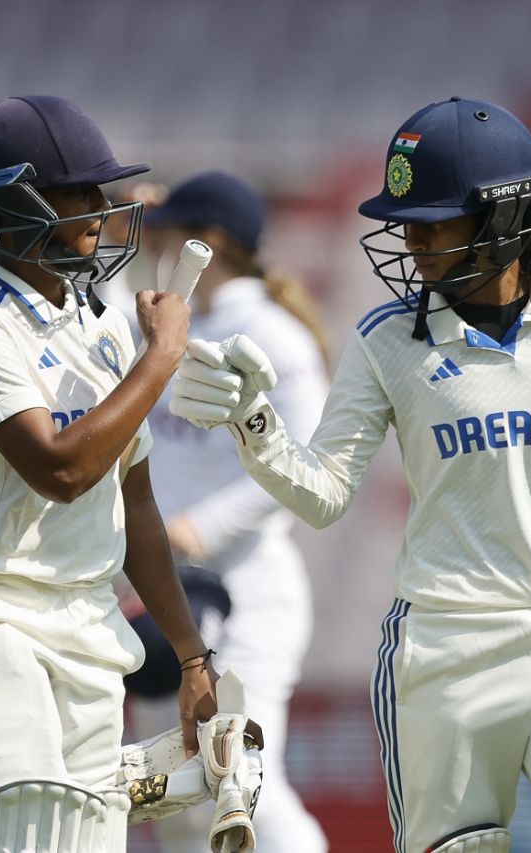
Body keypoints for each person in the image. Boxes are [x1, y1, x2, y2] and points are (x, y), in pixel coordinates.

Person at [168, 96, 531, 853]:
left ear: (505, 217)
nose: (411, 241)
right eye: (405, 221)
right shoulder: (385, 340)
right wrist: (257, 425)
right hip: (446, 651)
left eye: (434, 219)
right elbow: (324, 495)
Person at [0, 95, 219, 850]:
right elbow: (63, 472)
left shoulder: (100, 328)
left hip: (88, 627)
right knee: (26, 836)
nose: (103, 211)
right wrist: (161, 357)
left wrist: (192, 655)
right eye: (82, 193)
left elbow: (130, 498)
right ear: (15, 201)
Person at [119, 171, 330, 852]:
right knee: (176, 799)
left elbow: (297, 470)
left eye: (166, 232)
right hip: (166, 594)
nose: (155, 245)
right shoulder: (165, 328)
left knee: (240, 782)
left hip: (248, 588)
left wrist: (194, 529)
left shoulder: (275, 334)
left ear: (206, 243)